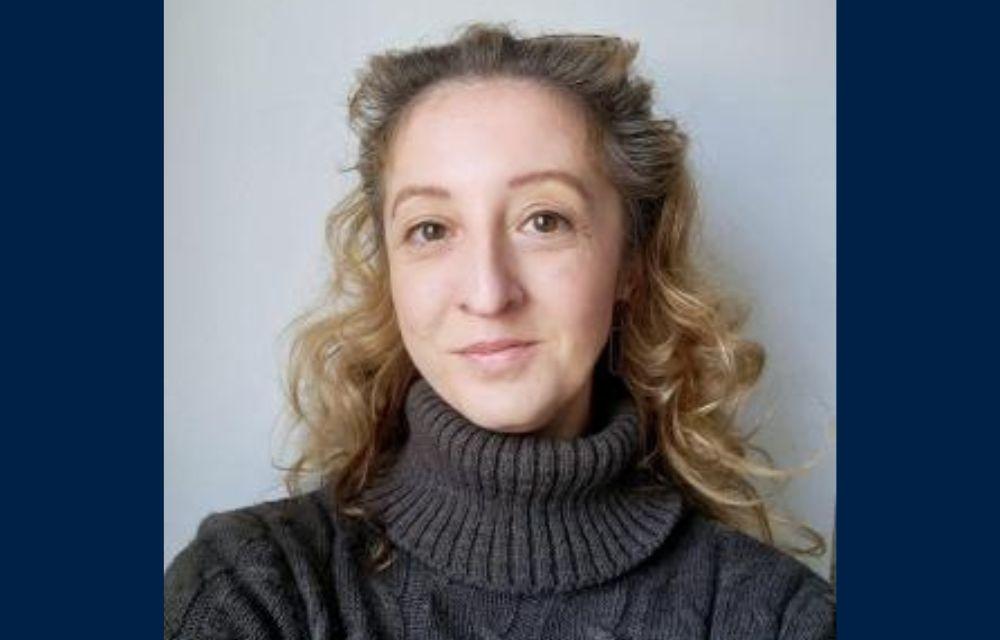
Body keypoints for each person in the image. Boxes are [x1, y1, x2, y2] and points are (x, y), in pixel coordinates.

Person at [164, 21, 835, 639]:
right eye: (431, 229)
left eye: (544, 221)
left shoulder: (776, 618)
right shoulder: (252, 591)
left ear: (631, 260)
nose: (488, 294)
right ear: (390, 269)